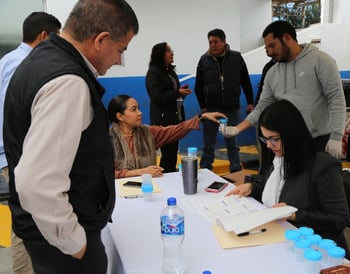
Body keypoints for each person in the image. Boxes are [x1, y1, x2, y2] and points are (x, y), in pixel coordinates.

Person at [3, 1, 139, 273]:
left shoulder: (39, 60)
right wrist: (74, 243)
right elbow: (37, 184)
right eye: (121, 50)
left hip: (45, 232)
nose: (119, 60)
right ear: (101, 40)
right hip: (64, 244)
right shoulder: (68, 82)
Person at [226, 100, 350, 253]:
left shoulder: (323, 167)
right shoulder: (280, 159)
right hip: (281, 237)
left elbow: (340, 219)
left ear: (292, 134)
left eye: (274, 139)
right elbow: (274, 191)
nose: (269, 146)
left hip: (314, 249)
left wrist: (296, 215)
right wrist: (252, 187)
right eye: (265, 139)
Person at [222, 20, 346, 159]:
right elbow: (262, 107)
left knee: (317, 180)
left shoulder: (321, 61)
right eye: (266, 48)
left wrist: (336, 136)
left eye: (272, 46)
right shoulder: (272, 73)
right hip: (287, 142)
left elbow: (336, 99)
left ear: (287, 38)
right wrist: (237, 129)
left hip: (319, 141)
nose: (269, 52)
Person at [0, 11, 61, 274]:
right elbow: (14, 115)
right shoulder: (21, 64)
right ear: (44, 36)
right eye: (56, 40)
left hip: (18, 155)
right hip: (20, 156)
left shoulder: (10, 60)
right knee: (26, 225)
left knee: (29, 222)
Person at [107, 94, 226, 178]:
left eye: (139, 108)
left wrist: (201, 117)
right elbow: (106, 174)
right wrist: (140, 172)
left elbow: (175, 130)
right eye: (134, 110)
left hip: (149, 188)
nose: (140, 113)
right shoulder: (106, 139)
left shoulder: (148, 133)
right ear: (120, 116)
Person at [194, 28, 254, 173]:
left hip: (231, 109)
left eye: (216, 42)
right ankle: (206, 170)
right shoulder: (204, 60)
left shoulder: (237, 58)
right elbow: (198, 86)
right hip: (211, 110)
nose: (212, 45)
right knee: (208, 143)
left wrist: (250, 102)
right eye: (210, 42)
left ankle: (236, 169)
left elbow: (245, 81)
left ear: (224, 42)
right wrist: (203, 107)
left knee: (231, 141)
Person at [145, 42, 192, 173]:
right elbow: (157, 97)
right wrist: (178, 92)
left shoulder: (170, 71)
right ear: (160, 54)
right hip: (163, 120)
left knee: (172, 153)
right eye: (169, 51)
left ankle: (169, 174)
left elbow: (171, 94)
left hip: (175, 116)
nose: (172, 53)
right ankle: (164, 177)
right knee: (168, 154)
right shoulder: (153, 73)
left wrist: (181, 93)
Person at [255, 58, 276, 173]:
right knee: (265, 154)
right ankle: (263, 174)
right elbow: (262, 94)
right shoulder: (268, 66)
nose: (268, 51)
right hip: (264, 114)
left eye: (272, 46)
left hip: (277, 117)